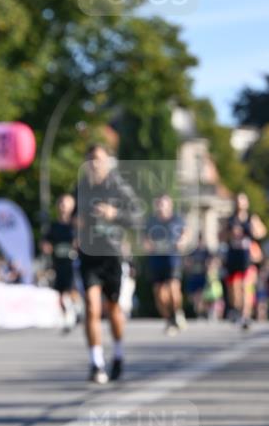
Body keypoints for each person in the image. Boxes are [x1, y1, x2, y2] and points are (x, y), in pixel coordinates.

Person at [75, 143, 140, 384]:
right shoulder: (82, 186)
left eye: (100, 159)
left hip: (112, 254)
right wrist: (76, 223)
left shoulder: (118, 187)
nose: (95, 163)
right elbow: (72, 215)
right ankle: (96, 363)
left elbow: (137, 218)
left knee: (113, 310)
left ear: (108, 161)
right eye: (91, 159)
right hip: (88, 255)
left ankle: (119, 355)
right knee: (92, 308)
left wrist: (116, 215)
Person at [144, 194, 190, 334]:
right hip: (156, 259)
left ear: (169, 205)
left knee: (173, 288)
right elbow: (145, 238)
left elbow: (186, 232)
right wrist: (147, 245)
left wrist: (182, 241)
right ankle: (169, 319)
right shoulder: (151, 221)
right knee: (159, 294)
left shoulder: (177, 220)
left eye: (163, 204)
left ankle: (177, 312)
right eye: (159, 204)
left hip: (172, 257)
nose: (161, 207)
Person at [222, 193, 267, 330]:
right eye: (237, 201)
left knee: (246, 287)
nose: (240, 204)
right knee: (235, 289)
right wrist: (231, 234)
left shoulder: (251, 218)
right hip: (233, 256)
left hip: (248, 257)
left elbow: (261, 233)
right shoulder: (230, 220)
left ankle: (245, 315)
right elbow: (222, 237)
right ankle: (237, 309)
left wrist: (254, 229)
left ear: (246, 203)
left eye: (242, 201)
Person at [41, 193, 78, 332]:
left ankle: (75, 311)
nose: (63, 207)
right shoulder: (53, 226)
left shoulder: (76, 226)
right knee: (61, 293)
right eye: (61, 203)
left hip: (74, 264)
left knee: (72, 289)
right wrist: (46, 246)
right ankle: (67, 316)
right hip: (59, 263)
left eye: (66, 203)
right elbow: (45, 241)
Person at [184, 232, 212, 319]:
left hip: (202, 276)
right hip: (193, 276)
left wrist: (209, 268)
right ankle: (200, 311)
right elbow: (187, 261)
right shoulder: (193, 251)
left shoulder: (206, 251)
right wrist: (188, 266)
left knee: (200, 295)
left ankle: (202, 312)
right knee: (192, 297)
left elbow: (211, 261)